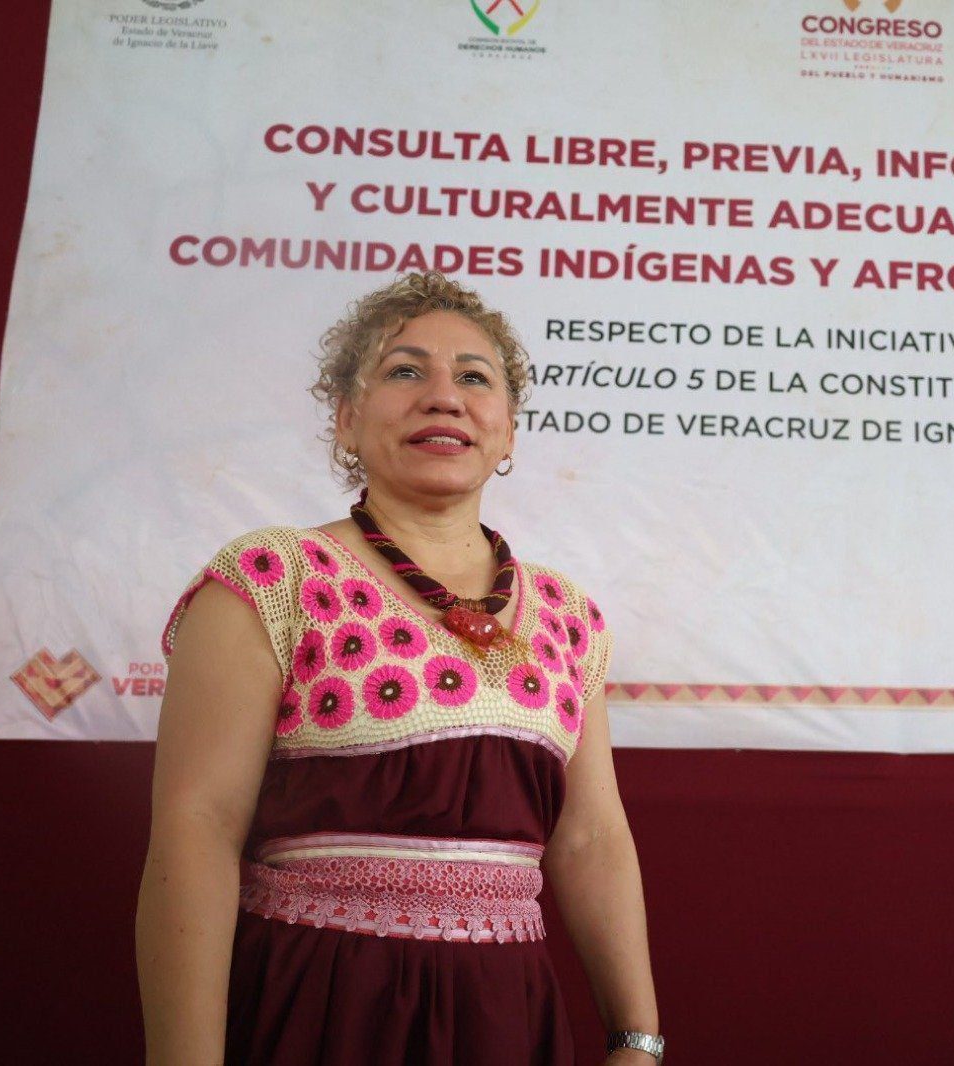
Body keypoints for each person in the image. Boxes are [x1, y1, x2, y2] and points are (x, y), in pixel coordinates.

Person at [135, 271, 662, 1065]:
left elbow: (591, 837)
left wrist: (637, 1040)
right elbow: (196, 828)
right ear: (347, 421)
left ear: (509, 433)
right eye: (405, 370)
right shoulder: (276, 578)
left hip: (504, 1022)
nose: (444, 397)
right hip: (318, 1009)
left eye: (474, 378)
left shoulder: (567, 616)